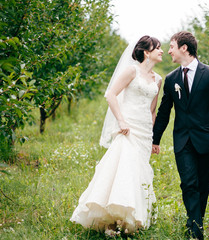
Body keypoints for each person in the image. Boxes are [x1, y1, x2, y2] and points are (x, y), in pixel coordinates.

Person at [70, 35, 163, 236]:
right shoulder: (131, 71)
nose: (162, 51)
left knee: (138, 172)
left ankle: (130, 218)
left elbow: (152, 109)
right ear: (147, 52)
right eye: (158, 48)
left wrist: (152, 134)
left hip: (145, 131)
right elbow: (110, 94)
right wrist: (121, 120)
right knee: (122, 169)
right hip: (127, 127)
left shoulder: (158, 79)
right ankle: (109, 220)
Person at [152, 31, 209, 240]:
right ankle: (196, 233)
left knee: (202, 186)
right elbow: (163, 111)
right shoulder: (171, 79)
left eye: (171, 46)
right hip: (183, 141)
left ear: (184, 48)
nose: (168, 51)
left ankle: (194, 223)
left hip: (208, 141)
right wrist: (155, 138)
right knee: (188, 183)